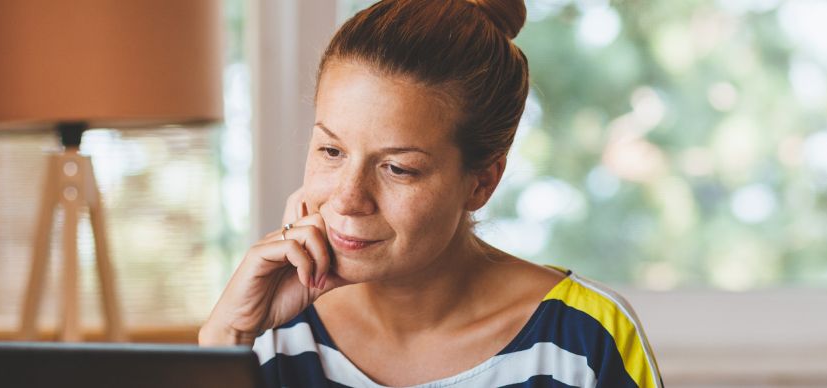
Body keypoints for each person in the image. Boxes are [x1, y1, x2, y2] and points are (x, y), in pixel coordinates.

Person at [199, 0, 663, 386]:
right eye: (331, 150)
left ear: (481, 182)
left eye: (398, 168)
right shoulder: (269, 337)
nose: (347, 198)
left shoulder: (581, 342)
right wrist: (227, 340)